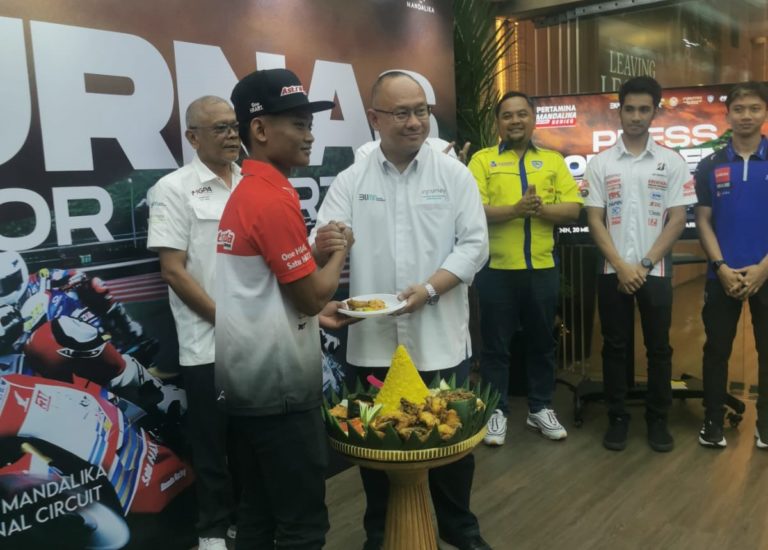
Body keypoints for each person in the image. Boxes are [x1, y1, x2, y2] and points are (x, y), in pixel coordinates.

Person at [311, 71, 490, 550]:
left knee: (450, 442)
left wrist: (431, 288)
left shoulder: (452, 174)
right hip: (373, 342)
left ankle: (459, 528)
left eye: (421, 111)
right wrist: (328, 240)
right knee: (378, 443)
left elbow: (475, 245)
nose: (415, 122)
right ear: (375, 118)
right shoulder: (353, 179)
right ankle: (380, 532)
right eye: (402, 113)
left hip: (439, 337)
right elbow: (321, 238)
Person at [217, 68, 352, 550]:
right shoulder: (271, 199)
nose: (309, 135)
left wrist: (314, 257)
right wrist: (339, 252)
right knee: (301, 524)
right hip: (280, 393)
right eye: (298, 124)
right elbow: (311, 296)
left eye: (309, 124)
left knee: (258, 513)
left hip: (249, 387)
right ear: (259, 129)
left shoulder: (251, 191)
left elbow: (270, 284)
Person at [146, 95, 241, 550]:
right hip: (208, 342)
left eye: (234, 125)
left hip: (261, 339)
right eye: (219, 127)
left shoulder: (253, 183)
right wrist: (227, 322)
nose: (231, 134)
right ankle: (212, 531)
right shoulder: (172, 189)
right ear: (192, 137)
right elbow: (173, 271)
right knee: (211, 442)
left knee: (252, 439)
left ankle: (247, 520)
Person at [583, 76, 697, 452]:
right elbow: (594, 219)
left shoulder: (671, 161)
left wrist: (644, 264)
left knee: (659, 348)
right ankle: (617, 418)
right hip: (611, 271)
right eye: (629, 109)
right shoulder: (600, 163)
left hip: (656, 271)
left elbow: (677, 219)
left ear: (655, 112)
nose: (635, 116)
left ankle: (657, 419)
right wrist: (621, 264)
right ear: (619, 111)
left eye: (643, 109)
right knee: (614, 346)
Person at [468, 92, 582, 446]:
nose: (515, 121)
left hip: (541, 268)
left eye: (522, 114)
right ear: (498, 122)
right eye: (507, 115)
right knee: (495, 347)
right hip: (496, 270)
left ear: (533, 119)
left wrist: (539, 209)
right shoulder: (482, 160)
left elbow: (573, 209)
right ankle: (496, 410)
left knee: (542, 343)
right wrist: (516, 210)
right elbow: (473, 210)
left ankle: (540, 408)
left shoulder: (553, 161)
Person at [694, 81, 768, 449]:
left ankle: (765, 425)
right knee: (716, 350)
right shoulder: (709, 164)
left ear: (764, 113)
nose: (746, 116)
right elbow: (703, 220)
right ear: (727, 115)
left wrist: (763, 268)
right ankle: (712, 422)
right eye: (738, 109)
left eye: (754, 108)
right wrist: (721, 266)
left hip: (766, 273)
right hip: (721, 275)